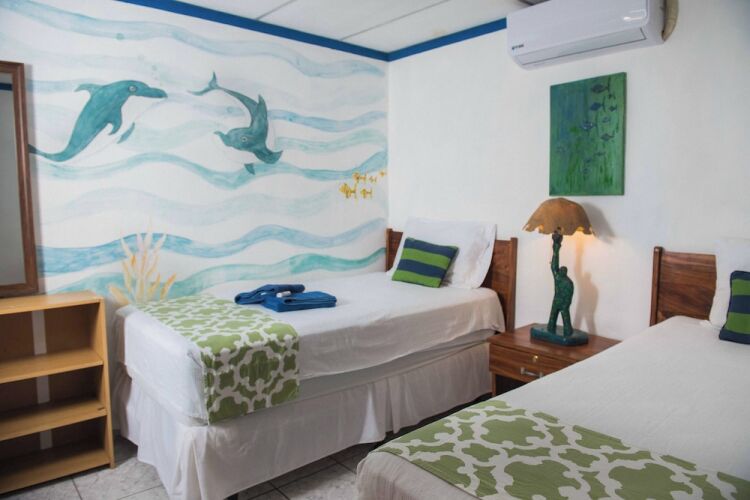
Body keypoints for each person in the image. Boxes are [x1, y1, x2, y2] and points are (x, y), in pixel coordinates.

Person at [547, 231, 575, 336]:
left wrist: (556, 245)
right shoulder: (562, 279)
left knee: (559, 316)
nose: (561, 270)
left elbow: (554, 266)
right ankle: (553, 329)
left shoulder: (561, 279)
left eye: (562, 270)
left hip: (561, 302)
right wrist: (556, 246)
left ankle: (566, 332)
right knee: (554, 317)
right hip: (560, 302)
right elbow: (554, 266)